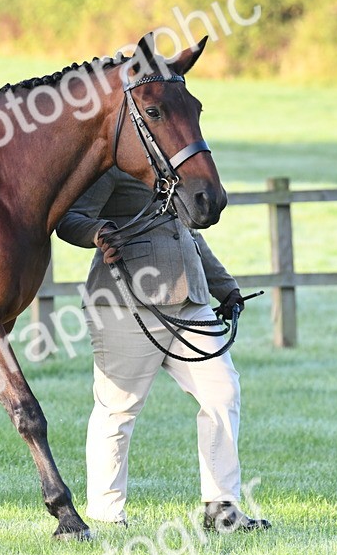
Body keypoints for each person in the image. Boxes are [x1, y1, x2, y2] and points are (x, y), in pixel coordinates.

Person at [56, 166, 270, 532]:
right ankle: (107, 515)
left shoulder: (175, 165)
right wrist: (99, 232)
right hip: (125, 303)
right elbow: (69, 218)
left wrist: (226, 287)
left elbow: (187, 235)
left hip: (191, 301)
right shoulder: (112, 165)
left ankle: (222, 508)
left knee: (223, 391)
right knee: (118, 408)